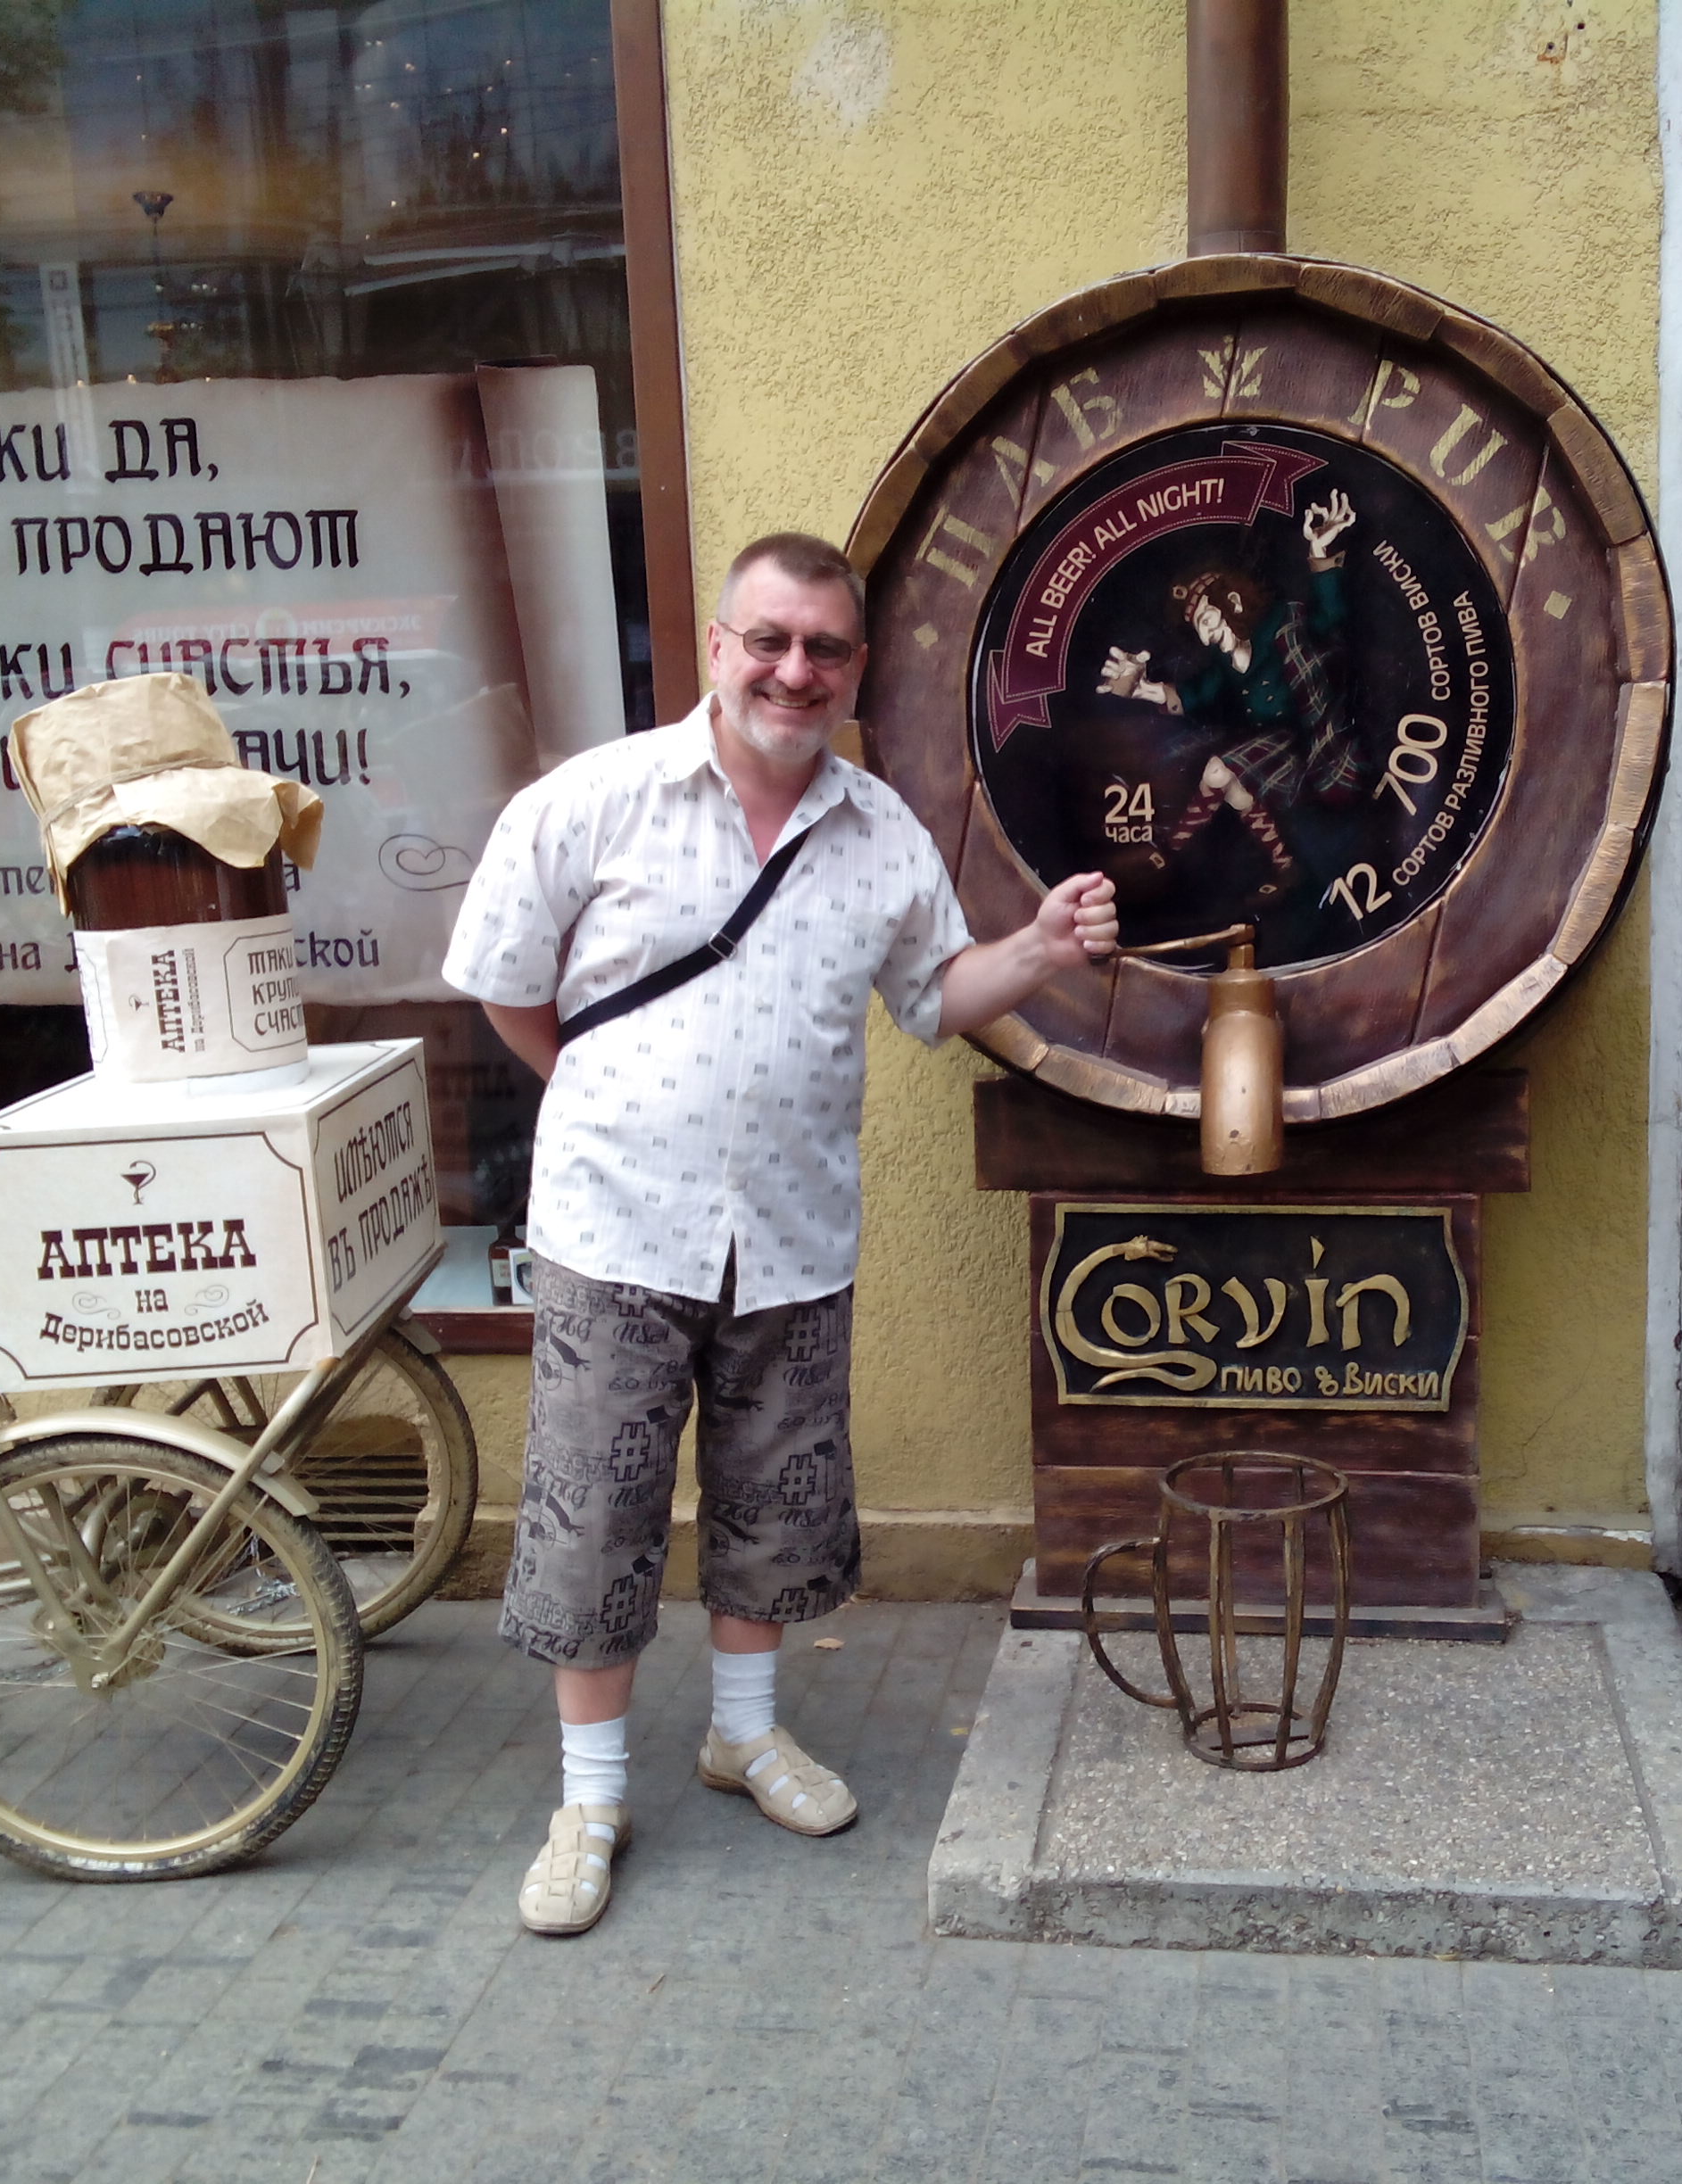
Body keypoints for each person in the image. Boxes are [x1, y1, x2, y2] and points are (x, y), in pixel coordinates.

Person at [444, 532, 1119, 1937]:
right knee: (596, 1520)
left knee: (772, 1508)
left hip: (793, 1234)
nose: (793, 670)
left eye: (823, 648)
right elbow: (505, 983)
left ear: (854, 668)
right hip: (615, 1230)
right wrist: (598, 1091)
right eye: (769, 639)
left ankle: (744, 1735)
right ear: (718, 645)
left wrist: (1043, 950)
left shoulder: (880, 832)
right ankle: (589, 1800)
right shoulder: (595, 802)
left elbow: (936, 997)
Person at [1098, 491, 1359, 901]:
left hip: (1323, 742)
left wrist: (1319, 551)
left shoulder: (1286, 623)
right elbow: (1194, 695)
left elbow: (1332, 619)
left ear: (1232, 603)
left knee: (1224, 775)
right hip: (1283, 746)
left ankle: (1175, 851)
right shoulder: (1225, 665)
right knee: (1223, 777)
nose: (1205, 636)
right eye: (1198, 629)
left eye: (1206, 620)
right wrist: (1140, 688)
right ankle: (1276, 866)